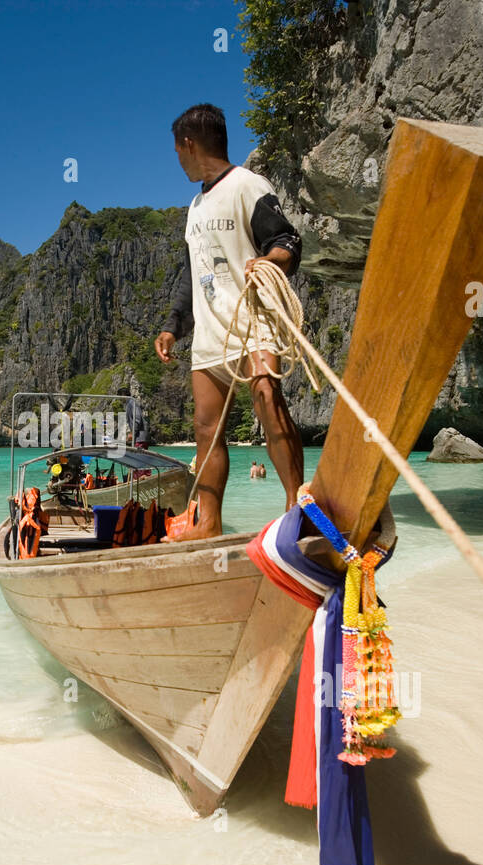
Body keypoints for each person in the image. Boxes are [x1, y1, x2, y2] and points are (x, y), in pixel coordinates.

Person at [155, 103, 304, 540]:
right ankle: (208, 523)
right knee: (206, 429)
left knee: (268, 404)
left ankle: (297, 508)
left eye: (177, 152)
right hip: (210, 333)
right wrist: (173, 325)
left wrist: (270, 260)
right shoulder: (195, 206)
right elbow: (191, 273)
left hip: (253, 321)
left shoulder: (247, 184)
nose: (178, 161)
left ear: (188, 144)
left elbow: (286, 240)